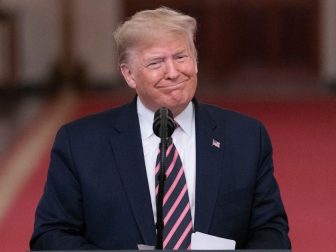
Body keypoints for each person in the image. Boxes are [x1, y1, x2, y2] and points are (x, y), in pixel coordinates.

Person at [30, 7, 291, 250]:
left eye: (181, 57)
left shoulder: (245, 137)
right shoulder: (80, 143)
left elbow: (271, 232)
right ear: (129, 74)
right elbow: (51, 235)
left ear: (196, 62)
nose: (173, 72)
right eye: (156, 63)